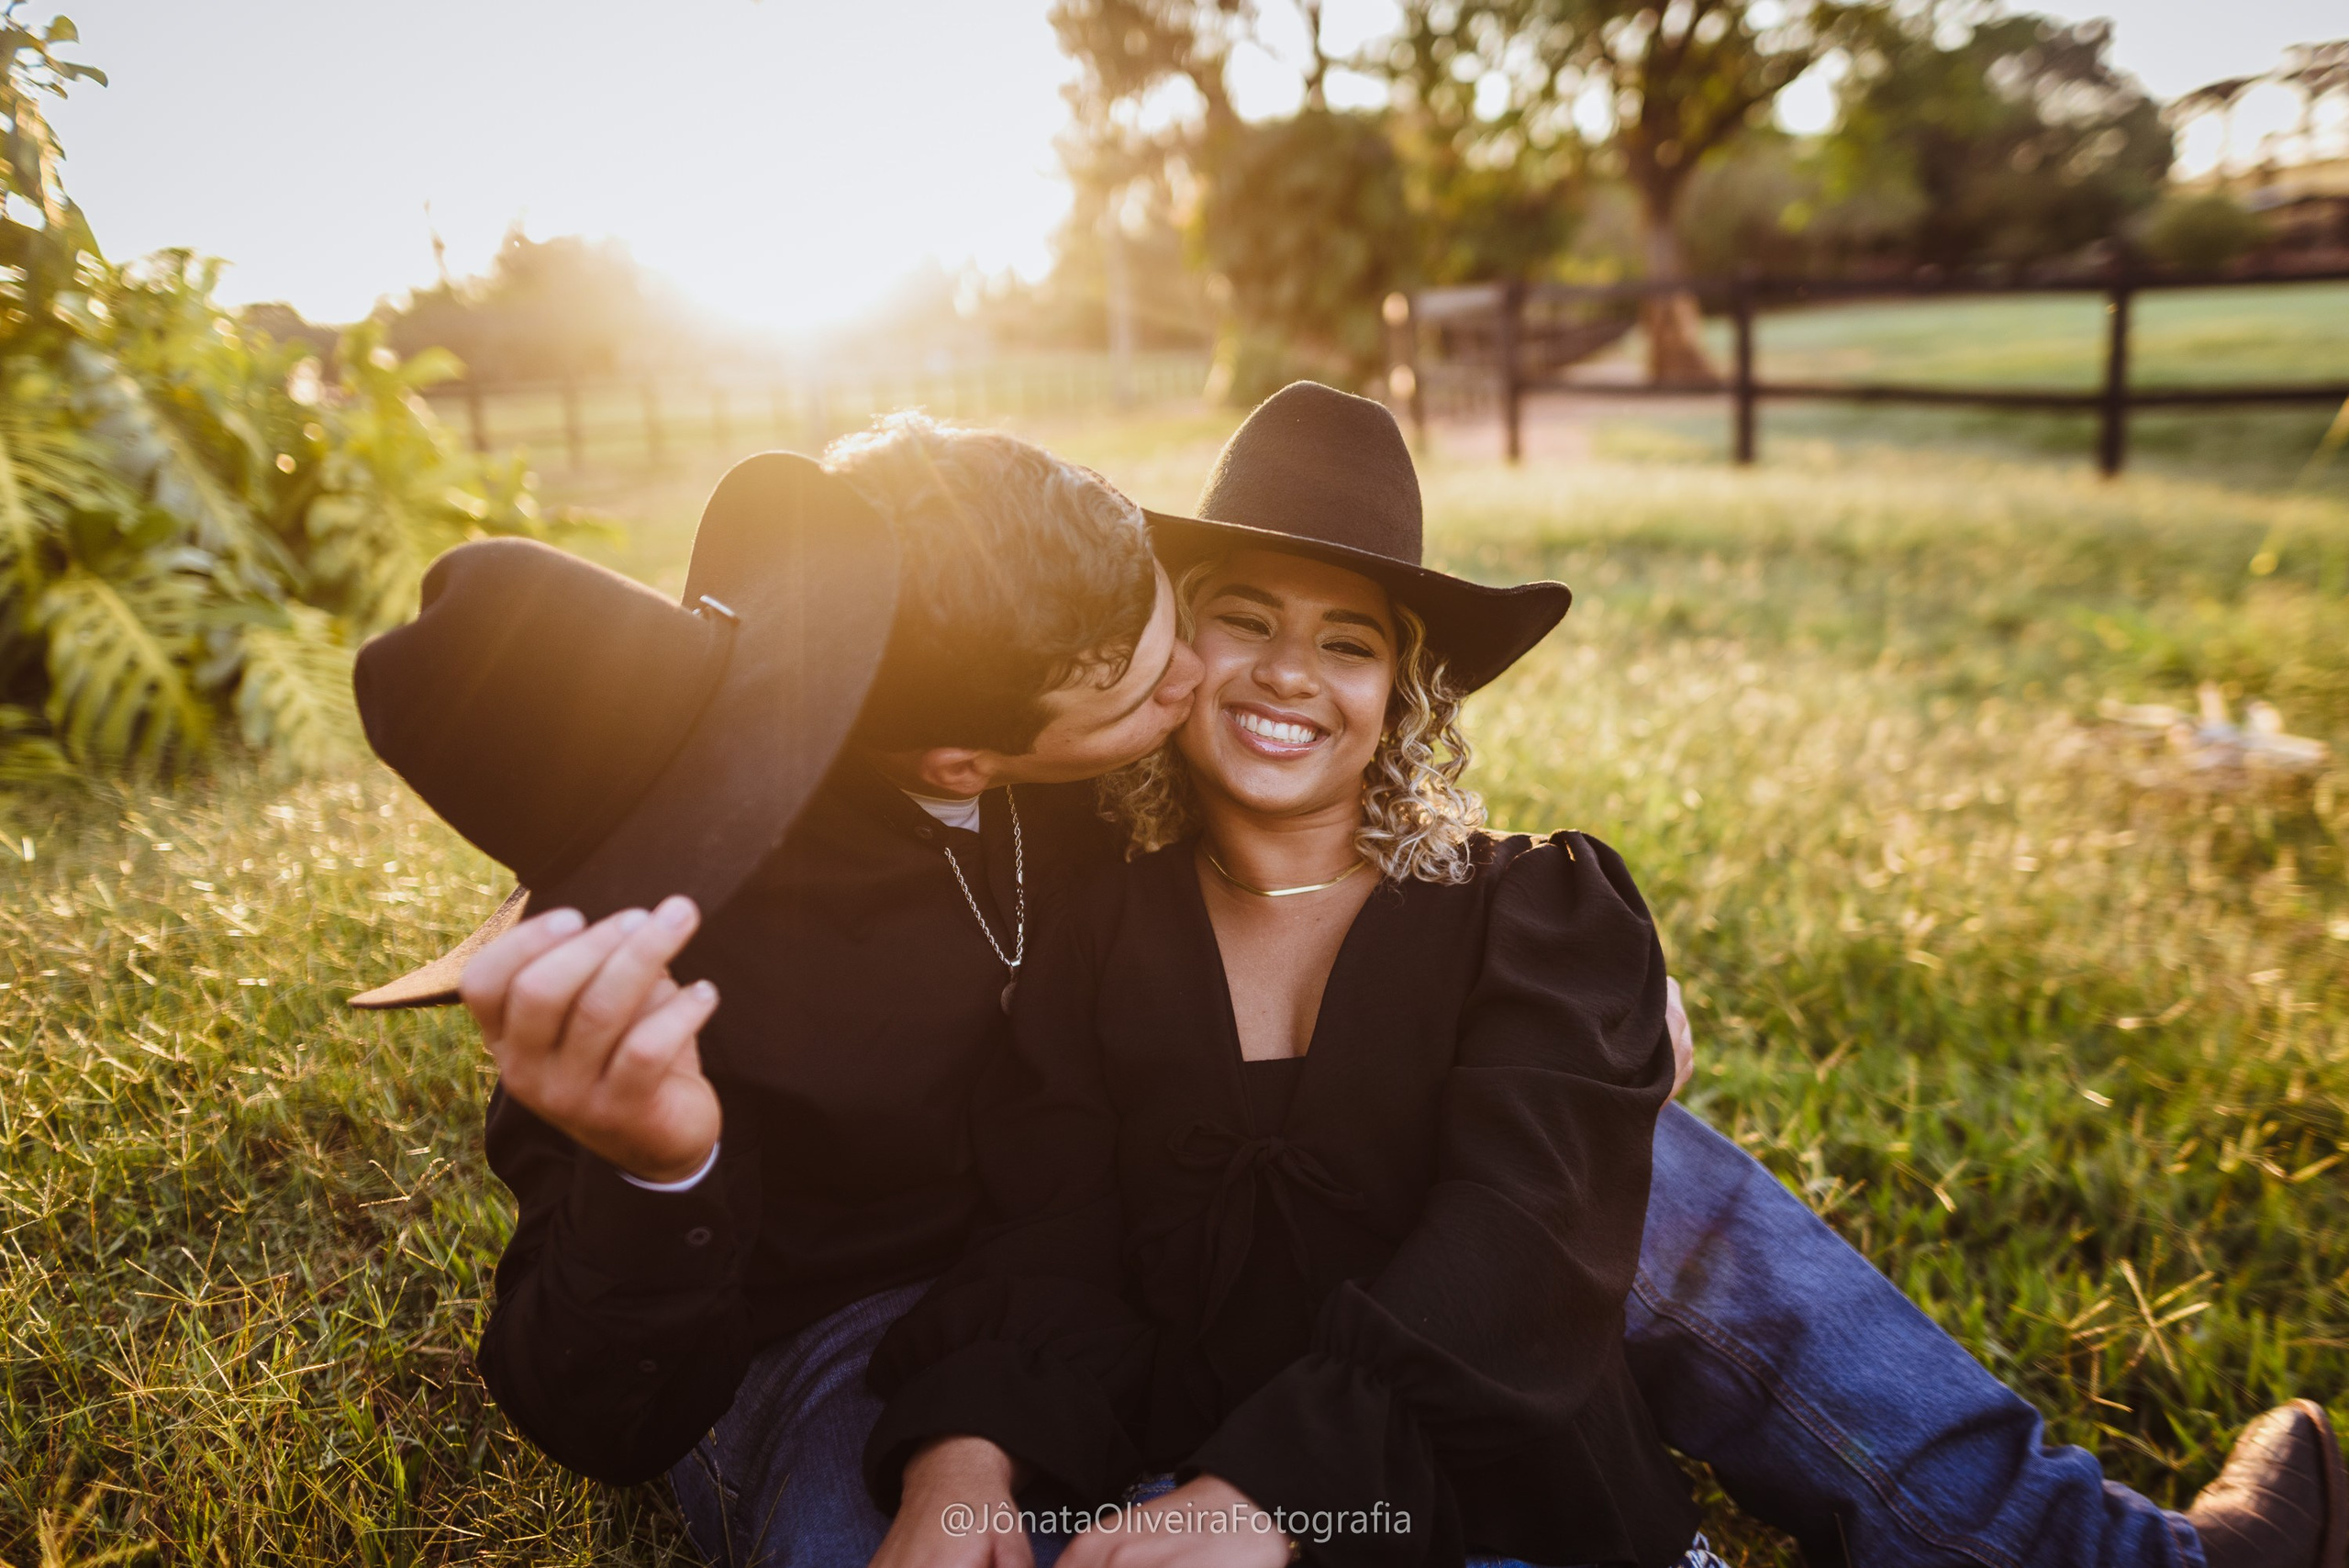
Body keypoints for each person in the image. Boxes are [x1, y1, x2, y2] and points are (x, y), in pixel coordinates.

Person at [349, 391, 2343, 1568]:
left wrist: (1566, 992)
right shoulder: (647, 951)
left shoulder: (1094, 775)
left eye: (1335, 644)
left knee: (1634, 1179)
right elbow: (636, 1375)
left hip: (1199, 1258)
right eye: (1185, 646)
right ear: (974, 741)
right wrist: (660, 1165)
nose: (1213, 687)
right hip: (909, 1322)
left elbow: (1328, 828)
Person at [862, 434, 1706, 1568]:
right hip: (1184, 1498)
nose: (1289, 673)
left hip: (1512, 1508)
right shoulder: (1099, 932)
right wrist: (964, 1450)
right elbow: (1050, 1232)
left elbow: (1524, 1239)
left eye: (1347, 643)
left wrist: (1271, 1492)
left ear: (1402, 695)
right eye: (1246, 621)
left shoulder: (1535, 910)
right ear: (1172, 653)